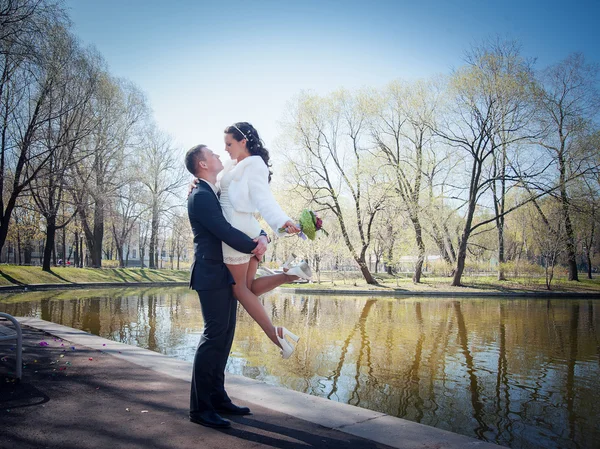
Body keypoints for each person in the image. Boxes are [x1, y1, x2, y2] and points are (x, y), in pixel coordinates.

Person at [185, 144, 299, 429]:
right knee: (212, 338)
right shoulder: (200, 195)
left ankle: (217, 397)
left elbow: (240, 219)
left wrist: (261, 235)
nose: (218, 155)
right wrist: (255, 247)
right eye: (212, 154)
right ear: (202, 164)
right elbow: (224, 231)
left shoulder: (214, 191)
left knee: (224, 338)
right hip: (210, 274)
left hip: (223, 274)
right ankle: (200, 408)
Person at [219, 122, 312, 358]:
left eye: (229, 144)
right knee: (247, 288)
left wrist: (283, 221)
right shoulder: (233, 164)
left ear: (243, 142)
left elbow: (264, 198)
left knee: (238, 290)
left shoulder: (254, 165)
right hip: (246, 228)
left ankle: (275, 334)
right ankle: (291, 275)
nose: (226, 149)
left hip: (236, 229)